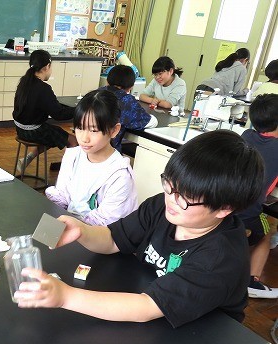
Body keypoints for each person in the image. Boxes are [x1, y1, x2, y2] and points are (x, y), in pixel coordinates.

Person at [15, 130, 264, 328]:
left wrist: (65, 297)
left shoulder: (219, 258)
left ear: (224, 209)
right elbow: (114, 239)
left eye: (185, 198)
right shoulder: (163, 206)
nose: (171, 199)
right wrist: (83, 231)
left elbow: (146, 308)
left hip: (202, 332)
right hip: (153, 301)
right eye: (170, 185)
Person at [45, 89, 137, 226]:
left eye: (94, 130)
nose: (84, 138)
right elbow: (62, 197)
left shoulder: (119, 175)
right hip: (69, 226)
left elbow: (107, 226)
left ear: (114, 130)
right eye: (79, 128)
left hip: (97, 235)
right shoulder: (73, 156)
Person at [236, 93, 278, 298]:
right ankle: (252, 282)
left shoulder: (245, 135)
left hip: (225, 205)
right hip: (248, 213)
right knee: (267, 231)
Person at [13, 49, 78, 172]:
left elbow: (50, 107)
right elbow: (58, 114)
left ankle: (28, 158)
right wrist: (79, 109)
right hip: (34, 131)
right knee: (73, 141)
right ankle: (67, 173)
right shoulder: (43, 88)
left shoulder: (24, 82)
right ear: (47, 66)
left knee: (54, 134)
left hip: (20, 129)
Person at [100, 65, 158, 152]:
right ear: (131, 86)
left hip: (86, 148)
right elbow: (151, 122)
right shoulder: (127, 101)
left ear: (107, 81)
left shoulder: (96, 94)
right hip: (108, 153)